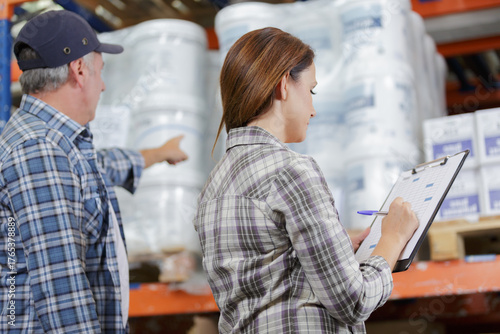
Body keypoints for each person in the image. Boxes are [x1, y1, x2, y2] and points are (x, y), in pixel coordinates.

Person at [194, 27, 419, 333]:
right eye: (311, 90)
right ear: (285, 84)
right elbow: (354, 301)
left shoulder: (212, 188)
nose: (313, 110)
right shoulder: (291, 171)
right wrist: (394, 238)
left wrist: (333, 248)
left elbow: (267, 283)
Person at [0, 10, 187, 333]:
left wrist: (159, 153)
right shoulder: (38, 150)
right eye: (100, 72)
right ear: (80, 70)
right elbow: (62, 290)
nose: (103, 87)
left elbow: (101, 167)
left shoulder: (58, 143)